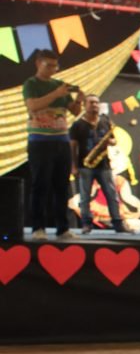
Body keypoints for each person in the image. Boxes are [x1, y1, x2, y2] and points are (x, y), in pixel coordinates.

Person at [23, 49, 83, 241]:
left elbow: (75, 111)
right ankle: (37, 228)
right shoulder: (31, 84)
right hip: (40, 141)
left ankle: (62, 228)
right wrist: (56, 93)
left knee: (61, 186)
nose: (52, 69)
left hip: (61, 140)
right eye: (48, 65)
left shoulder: (60, 85)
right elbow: (33, 106)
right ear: (38, 64)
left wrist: (79, 99)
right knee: (40, 185)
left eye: (55, 66)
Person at [69, 94, 129, 234]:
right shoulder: (77, 125)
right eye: (91, 102)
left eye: (96, 102)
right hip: (85, 165)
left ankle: (118, 223)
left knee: (112, 195)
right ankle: (86, 224)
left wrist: (110, 141)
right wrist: (73, 166)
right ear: (85, 105)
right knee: (85, 197)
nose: (94, 105)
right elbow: (72, 146)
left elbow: (113, 140)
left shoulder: (105, 121)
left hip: (104, 165)